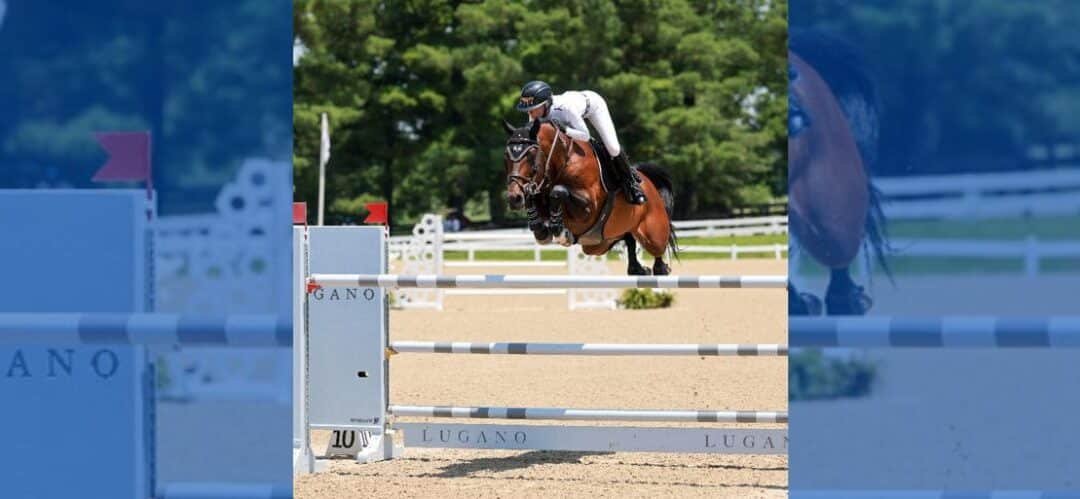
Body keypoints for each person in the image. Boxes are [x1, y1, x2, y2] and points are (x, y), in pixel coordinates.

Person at [515, 80, 646, 204]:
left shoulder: (565, 108)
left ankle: (631, 183)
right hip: (572, 113)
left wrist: (565, 129)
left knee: (613, 149)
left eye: (533, 109)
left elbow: (585, 136)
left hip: (593, 107)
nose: (530, 113)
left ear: (546, 103)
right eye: (528, 110)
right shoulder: (535, 112)